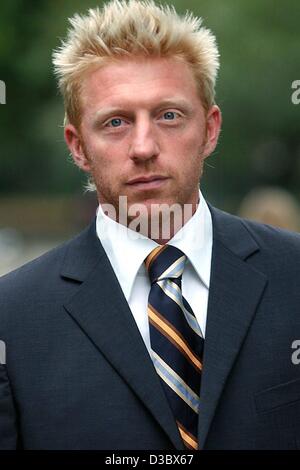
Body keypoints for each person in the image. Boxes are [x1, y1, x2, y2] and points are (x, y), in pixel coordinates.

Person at [0, 0, 300, 451]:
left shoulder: (293, 276)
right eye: (116, 122)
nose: (144, 147)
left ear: (211, 129)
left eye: (169, 116)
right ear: (78, 146)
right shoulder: (12, 320)